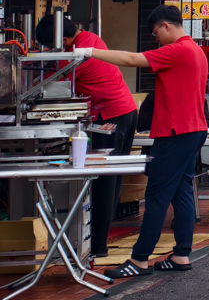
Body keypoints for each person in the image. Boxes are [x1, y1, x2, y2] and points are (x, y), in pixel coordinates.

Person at [76, 5, 208, 277]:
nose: (155, 38)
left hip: (175, 132)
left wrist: (90, 52)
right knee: (181, 192)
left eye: (155, 32)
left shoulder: (177, 50)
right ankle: (181, 255)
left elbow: (131, 59)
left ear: (166, 26)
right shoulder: (196, 50)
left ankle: (139, 260)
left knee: (157, 195)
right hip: (192, 130)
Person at [35, 16, 136, 260]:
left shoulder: (78, 54)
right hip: (124, 110)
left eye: (49, 47)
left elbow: (47, 86)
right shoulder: (89, 40)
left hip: (111, 116)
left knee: (103, 180)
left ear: (64, 40)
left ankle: (98, 246)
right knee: (111, 178)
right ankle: (99, 243)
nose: (49, 52)